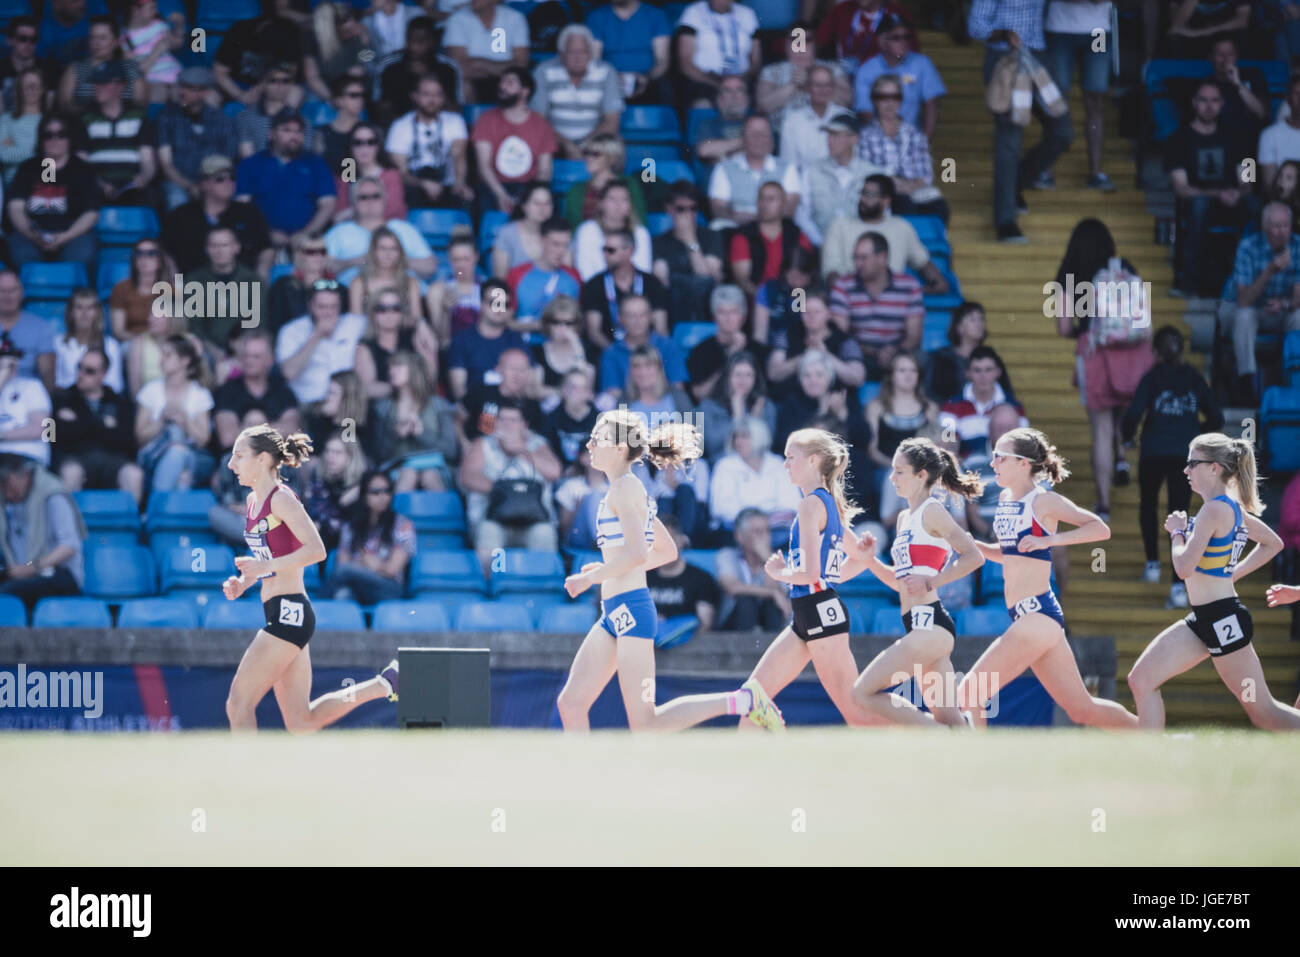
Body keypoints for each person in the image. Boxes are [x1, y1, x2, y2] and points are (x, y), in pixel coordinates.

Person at [557, 411, 783, 731]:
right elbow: (665, 551)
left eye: (598, 438)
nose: (590, 444)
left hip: (631, 610)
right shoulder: (626, 489)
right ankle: (582, 777)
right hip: (615, 611)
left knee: (646, 723)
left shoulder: (625, 489)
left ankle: (745, 701)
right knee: (571, 703)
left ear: (620, 448)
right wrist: (608, 570)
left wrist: (593, 576)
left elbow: (638, 553)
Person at [222, 425, 400, 733]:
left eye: (239, 456)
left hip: (289, 611)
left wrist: (260, 568)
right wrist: (244, 581)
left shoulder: (281, 498)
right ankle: (383, 685)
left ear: (263, 459)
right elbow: (270, 560)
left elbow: (317, 551)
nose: (231, 464)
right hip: (287, 612)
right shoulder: (253, 501)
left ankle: (248, 778)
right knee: (301, 722)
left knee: (238, 703)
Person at [957, 427, 1138, 728]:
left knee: (970, 693)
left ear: (1023, 463)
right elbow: (1011, 554)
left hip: (1037, 615)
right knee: (1082, 710)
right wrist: (975, 546)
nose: (993, 464)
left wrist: (1049, 541)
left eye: (1000, 457)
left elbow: (1099, 529)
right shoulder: (1005, 498)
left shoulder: (1044, 501)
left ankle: (977, 769)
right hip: (1034, 618)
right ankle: (1154, 736)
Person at [1128, 434, 1300, 729]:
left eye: (1192, 463)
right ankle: (1150, 760)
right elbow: (1273, 543)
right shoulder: (1227, 509)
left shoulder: (1215, 510)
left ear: (1215, 468)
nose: (1185, 470)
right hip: (1205, 618)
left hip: (1223, 619)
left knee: (1265, 713)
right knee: (1141, 680)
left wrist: (1177, 532)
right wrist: (1230, 573)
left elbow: (1183, 567)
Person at [739, 427, 880, 728]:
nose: (785, 464)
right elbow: (856, 561)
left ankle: (928, 730)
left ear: (814, 461)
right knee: (752, 699)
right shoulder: (825, 504)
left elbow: (811, 574)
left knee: (857, 712)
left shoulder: (809, 505)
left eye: (791, 457)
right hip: (809, 613)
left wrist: (779, 573)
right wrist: (862, 554)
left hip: (818, 614)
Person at [840, 437, 984, 726]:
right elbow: (900, 582)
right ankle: (959, 735)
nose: (892, 477)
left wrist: (933, 582)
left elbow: (974, 556)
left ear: (922, 476)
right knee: (952, 722)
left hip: (932, 625)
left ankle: (940, 735)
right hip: (919, 627)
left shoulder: (933, 510)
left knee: (861, 693)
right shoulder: (905, 518)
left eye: (899, 471)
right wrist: (870, 562)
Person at [1052, 218, 1153, 520]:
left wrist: (1085, 331)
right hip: (1132, 352)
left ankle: (1104, 505)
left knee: (1101, 427)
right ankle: (1121, 456)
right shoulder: (1125, 267)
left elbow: (1063, 327)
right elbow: (1141, 316)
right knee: (1122, 411)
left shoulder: (1069, 276)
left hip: (1094, 351)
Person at [1121, 325, 1223, 606]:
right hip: (1184, 454)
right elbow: (1217, 416)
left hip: (1153, 450)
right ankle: (1177, 587)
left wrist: (1128, 437)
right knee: (1179, 514)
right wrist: (1193, 430)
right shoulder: (1194, 377)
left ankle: (1153, 565)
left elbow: (1132, 414)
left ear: (1154, 351)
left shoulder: (1151, 377)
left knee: (1148, 505)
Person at [968, 0, 1072, 244]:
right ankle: (1005, 221)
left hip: (1039, 56)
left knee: (1062, 132)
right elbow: (975, 26)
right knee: (1010, 139)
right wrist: (1003, 33)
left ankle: (1014, 185)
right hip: (1006, 58)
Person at [1164, 79, 1252, 297]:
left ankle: (1247, 281)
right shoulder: (1178, 139)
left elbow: (1249, 181)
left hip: (1231, 204)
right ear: (1194, 103)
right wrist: (1218, 193)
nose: (1209, 106)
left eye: (1215, 100)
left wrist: (1238, 193)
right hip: (1196, 204)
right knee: (1200, 205)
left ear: (1222, 104)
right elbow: (1181, 188)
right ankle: (1187, 282)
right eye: (1204, 100)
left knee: (1254, 203)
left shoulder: (1239, 138)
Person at [459, 399, 563, 569]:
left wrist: (521, 450)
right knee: (490, 535)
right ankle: (496, 582)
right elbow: (468, 476)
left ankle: (538, 585)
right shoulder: (484, 444)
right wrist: (504, 492)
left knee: (544, 533)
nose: (507, 425)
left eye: (513, 420)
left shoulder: (537, 444)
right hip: (494, 519)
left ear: (524, 424)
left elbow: (554, 472)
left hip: (533, 520)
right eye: (502, 419)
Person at [1216, 201, 1300, 405]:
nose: (1282, 232)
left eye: (1286, 225)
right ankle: (1246, 379)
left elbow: (1298, 298)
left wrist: (1285, 305)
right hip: (1245, 307)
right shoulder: (1248, 247)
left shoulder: (1297, 247)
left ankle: (1292, 373)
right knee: (1244, 317)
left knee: (1298, 316)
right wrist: (1270, 271)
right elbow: (1244, 300)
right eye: (1276, 226)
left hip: (1280, 308)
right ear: (1265, 228)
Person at [6, 113, 100, 275]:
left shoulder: (83, 170)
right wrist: (33, 236)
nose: (54, 140)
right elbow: (15, 208)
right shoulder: (28, 168)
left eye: (61, 134)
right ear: (41, 140)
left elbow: (91, 213)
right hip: (31, 236)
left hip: (72, 236)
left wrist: (64, 237)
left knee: (82, 253)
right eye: (48, 135)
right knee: (20, 253)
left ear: (70, 138)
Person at [235, 110, 337, 254]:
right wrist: (267, 233)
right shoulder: (251, 164)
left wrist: (306, 234)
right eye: (287, 130)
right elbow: (242, 206)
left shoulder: (316, 163)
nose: (294, 136)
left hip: (308, 244)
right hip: (262, 242)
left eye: (299, 131)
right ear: (271, 134)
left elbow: (327, 204)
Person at [821, 174, 948, 289]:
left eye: (870, 195)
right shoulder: (840, 225)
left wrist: (912, 294)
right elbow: (832, 274)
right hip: (850, 301)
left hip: (893, 303)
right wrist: (853, 295)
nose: (863, 199)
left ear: (886, 201)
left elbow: (925, 266)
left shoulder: (901, 227)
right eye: (862, 193)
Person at [828, 232, 925, 381]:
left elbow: (914, 336)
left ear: (882, 258)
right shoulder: (843, 286)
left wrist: (894, 352)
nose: (858, 263)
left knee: (923, 361)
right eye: (856, 258)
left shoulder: (910, 285)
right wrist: (873, 352)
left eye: (864, 258)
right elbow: (840, 334)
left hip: (899, 355)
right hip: (858, 356)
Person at [52, 346, 142, 505]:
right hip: (75, 458)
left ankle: (126, 528)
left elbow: (128, 441)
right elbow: (52, 436)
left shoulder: (120, 401)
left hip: (113, 460)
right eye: (79, 367)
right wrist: (102, 425)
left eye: (89, 371)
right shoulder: (60, 399)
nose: (81, 374)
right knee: (70, 473)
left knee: (134, 475)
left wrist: (78, 423)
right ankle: (70, 529)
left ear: (103, 374)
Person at [1041, 0, 1115, 191]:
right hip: (1060, 30)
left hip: (1098, 32)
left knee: (1096, 101)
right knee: (1056, 99)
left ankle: (1096, 172)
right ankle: (1045, 169)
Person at [857, 73, 949, 222]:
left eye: (895, 97)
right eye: (882, 97)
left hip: (915, 193)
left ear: (900, 101)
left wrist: (904, 186)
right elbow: (869, 174)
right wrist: (899, 186)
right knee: (903, 204)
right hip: (881, 196)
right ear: (874, 101)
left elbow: (925, 176)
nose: (889, 102)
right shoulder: (865, 137)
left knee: (938, 206)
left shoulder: (915, 135)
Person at [162, 154, 273, 277]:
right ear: (204, 184)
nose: (228, 182)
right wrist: (178, 290)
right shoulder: (181, 217)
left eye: (232, 177)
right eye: (220, 179)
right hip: (193, 290)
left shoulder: (249, 213)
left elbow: (266, 249)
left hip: (242, 290)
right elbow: (167, 254)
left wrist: (260, 279)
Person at [0, 455, 86, 611]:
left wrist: (30, 568)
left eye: (8, 485)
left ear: (23, 475)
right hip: (23, 574)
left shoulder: (52, 494)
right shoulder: (6, 501)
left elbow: (69, 547)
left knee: (7, 593)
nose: (6, 493)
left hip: (59, 575)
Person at [530, 24, 623, 160]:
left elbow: (611, 122)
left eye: (583, 52)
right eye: (571, 52)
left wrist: (583, 145)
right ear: (561, 54)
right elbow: (538, 120)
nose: (578, 57)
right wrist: (567, 144)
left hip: (595, 141)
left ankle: (610, 182)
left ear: (591, 53)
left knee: (615, 143)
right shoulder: (543, 71)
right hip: (554, 141)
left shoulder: (607, 72)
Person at [134, 334, 213, 493]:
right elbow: (140, 437)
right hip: (154, 456)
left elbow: (203, 440)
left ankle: (155, 511)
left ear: (184, 360)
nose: (161, 359)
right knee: (182, 475)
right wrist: (162, 420)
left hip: (192, 456)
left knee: (179, 456)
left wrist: (185, 420)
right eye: (162, 354)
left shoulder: (200, 394)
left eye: (168, 355)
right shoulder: (150, 390)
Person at [154, 67, 241, 212]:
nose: (182, 92)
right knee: (176, 198)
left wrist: (208, 186)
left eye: (190, 88)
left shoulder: (222, 120)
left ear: (205, 92)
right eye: (181, 86)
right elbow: (166, 165)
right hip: (178, 182)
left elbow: (228, 161)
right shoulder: (165, 118)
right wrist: (189, 186)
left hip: (213, 181)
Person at [472, 66, 557, 212]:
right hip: (494, 185)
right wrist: (501, 194)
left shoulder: (541, 125)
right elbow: (484, 166)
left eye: (509, 83)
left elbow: (544, 171)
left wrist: (532, 198)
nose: (502, 87)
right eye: (502, 82)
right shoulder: (486, 119)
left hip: (528, 187)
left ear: (525, 91)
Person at [371, 351, 459, 491]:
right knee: (408, 474)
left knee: (430, 475)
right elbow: (379, 454)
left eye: (398, 366)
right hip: (398, 468)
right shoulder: (383, 408)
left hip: (435, 467)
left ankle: (441, 514)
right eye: (390, 367)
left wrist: (421, 434)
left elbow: (451, 451)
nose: (391, 371)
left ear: (414, 370)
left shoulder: (439, 405)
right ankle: (398, 514)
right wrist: (396, 435)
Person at [184, 227, 269, 371]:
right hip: (207, 350)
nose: (219, 251)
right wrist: (215, 353)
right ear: (207, 249)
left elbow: (258, 323)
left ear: (236, 248)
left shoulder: (253, 280)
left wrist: (241, 352)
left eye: (224, 245)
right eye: (214, 246)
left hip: (244, 349)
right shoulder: (194, 280)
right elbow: (194, 327)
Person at [385, 73, 473, 209]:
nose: (432, 100)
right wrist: (423, 184)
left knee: (465, 196)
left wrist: (460, 182)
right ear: (414, 96)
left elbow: (458, 157)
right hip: (413, 187)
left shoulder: (455, 121)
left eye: (437, 95)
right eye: (426, 94)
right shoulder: (400, 126)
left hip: (448, 185)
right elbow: (401, 173)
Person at [328, 468, 416, 605]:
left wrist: (374, 565)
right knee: (342, 595)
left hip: (389, 588)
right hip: (356, 586)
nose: (383, 497)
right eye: (375, 492)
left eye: (387, 491)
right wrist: (366, 565)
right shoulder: (351, 526)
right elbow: (342, 563)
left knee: (345, 572)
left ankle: (315, 606)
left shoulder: (402, 524)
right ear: (364, 495)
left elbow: (392, 570)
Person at [275, 279, 369, 405]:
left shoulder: (355, 324)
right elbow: (288, 372)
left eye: (333, 307)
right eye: (322, 307)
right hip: (307, 405)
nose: (328, 313)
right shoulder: (291, 331)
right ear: (310, 306)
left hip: (347, 405)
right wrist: (317, 335)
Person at [853, 14, 945, 140]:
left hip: (913, 140)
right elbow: (865, 112)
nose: (903, 42)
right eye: (896, 38)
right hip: (877, 140)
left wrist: (924, 142)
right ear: (882, 41)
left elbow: (932, 106)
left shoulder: (922, 63)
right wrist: (882, 141)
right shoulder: (867, 70)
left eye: (906, 37)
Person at [797, 114, 884, 247]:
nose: (829, 140)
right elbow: (802, 214)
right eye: (828, 135)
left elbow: (882, 216)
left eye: (836, 135)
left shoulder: (872, 173)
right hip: (820, 246)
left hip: (863, 248)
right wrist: (820, 242)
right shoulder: (812, 170)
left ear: (854, 139)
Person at [79, 59, 155, 206]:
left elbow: (147, 161)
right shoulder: (85, 119)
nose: (97, 88)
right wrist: (99, 183)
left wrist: (142, 179)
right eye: (96, 83)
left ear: (120, 86)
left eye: (103, 83)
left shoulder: (138, 117)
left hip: (132, 188)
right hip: (96, 187)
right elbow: (81, 163)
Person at [766, 287, 866, 398]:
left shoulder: (845, 341)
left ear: (828, 313)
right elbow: (773, 374)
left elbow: (857, 378)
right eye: (806, 312)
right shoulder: (787, 335)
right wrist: (804, 357)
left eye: (817, 312)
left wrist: (825, 355)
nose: (811, 316)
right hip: (792, 402)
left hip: (835, 403)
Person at [213, 330, 302, 454]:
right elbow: (227, 438)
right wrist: (272, 428)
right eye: (245, 356)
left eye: (256, 356)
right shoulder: (227, 391)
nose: (249, 361)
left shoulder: (283, 392)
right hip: (237, 460)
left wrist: (250, 426)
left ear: (270, 360)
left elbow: (292, 431)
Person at [756, 24, 853, 136]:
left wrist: (813, 83)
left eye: (807, 40)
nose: (801, 48)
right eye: (795, 41)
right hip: (782, 134)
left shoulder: (833, 68)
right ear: (786, 46)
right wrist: (792, 86)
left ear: (815, 45)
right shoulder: (771, 71)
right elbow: (762, 107)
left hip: (827, 133)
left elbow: (847, 102)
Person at [708, 415, 799, 534]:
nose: (738, 442)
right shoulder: (725, 465)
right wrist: (754, 521)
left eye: (744, 437)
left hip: (777, 527)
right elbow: (722, 507)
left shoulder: (777, 463)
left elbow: (791, 503)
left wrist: (769, 521)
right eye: (736, 437)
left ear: (759, 437)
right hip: (737, 528)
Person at [581, 228, 668, 348]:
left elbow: (661, 328)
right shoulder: (594, 285)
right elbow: (593, 332)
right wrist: (618, 355)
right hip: (611, 355)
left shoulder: (652, 283)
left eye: (610, 250)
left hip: (649, 355)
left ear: (629, 251)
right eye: (604, 249)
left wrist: (647, 356)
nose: (605, 254)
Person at [652, 181, 724, 326]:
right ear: (669, 209)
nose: (688, 214)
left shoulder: (712, 237)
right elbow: (661, 286)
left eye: (693, 208)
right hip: (674, 310)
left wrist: (690, 240)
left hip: (706, 308)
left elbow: (708, 277)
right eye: (681, 209)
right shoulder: (658, 243)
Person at [706, 115, 801, 226]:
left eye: (763, 134)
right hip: (736, 227)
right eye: (753, 134)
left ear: (771, 139)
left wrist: (760, 221)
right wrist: (735, 217)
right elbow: (718, 208)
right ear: (743, 139)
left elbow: (789, 209)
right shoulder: (724, 168)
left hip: (775, 228)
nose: (758, 138)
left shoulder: (787, 168)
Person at [865, 350, 937, 497]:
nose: (908, 375)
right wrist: (899, 469)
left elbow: (940, 444)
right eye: (902, 370)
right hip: (886, 472)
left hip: (921, 473)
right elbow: (872, 450)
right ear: (891, 375)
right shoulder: (875, 408)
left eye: (913, 370)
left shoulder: (931, 408)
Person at [938, 345, 1028, 460]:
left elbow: (1022, 447)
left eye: (988, 370)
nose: (983, 376)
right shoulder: (951, 407)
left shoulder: (1015, 408)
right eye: (977, 370)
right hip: (965, 470)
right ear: (967, 373)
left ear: (998, 372)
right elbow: (947, 442)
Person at [729, 182, 814, 303]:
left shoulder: (797, 234)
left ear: (784, 204)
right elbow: (743, 281)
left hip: (789, 298)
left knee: (802, 294)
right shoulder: (743, 236)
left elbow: (804, 275)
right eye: (761, 198)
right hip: (756, 299)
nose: (764, 204)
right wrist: (767, 300)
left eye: (771, 199)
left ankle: (799, 321)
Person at [448, 279, 530, 398]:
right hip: (474, 409)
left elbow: (529, 385)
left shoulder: (517, 340)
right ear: (481, 304)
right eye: (494, 303)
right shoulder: (462, 340)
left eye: (504, 304)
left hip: (510, 408)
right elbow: (458, 392)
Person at [923, 301, 1019, 403]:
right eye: (972, 319)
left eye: (981, 319)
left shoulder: (991, 358)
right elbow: (930, 393)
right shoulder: (941, 358)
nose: (979, 324)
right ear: (959, 327)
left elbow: (1006, 394)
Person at [597, 294, 687, 401]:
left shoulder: (669, 346)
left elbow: (677, 388)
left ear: (651, 317)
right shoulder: (611, 353)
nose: (637, 320)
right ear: (620, 319)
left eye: (642, 315)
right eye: (630, 315)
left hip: (665, 411)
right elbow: (613, 393)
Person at [378, 15, 465, 126]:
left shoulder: (448, 67)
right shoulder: (389, 66)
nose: (414, 46)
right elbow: (382, 110)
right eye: (410, 40)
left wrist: (428, 78)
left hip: (440, 127)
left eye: (421, 41)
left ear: (433, 41)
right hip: (399, 128)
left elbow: (455, 110)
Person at [687, 284, 769, 402]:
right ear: (714, 317)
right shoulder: (701, 351)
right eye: (722, 312)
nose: (728, 318)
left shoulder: (758, 350)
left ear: (743, 317)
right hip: (716, 411)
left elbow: (763, 393)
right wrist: (729, 360)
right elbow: (699, 394)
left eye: (734, 312)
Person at [675, 0, 762, 110]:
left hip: (742, 79)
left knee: (756, 101)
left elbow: (756, 60)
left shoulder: (747, 14)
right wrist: (717, 83)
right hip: (705, 80)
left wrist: (739, 81)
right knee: (702, 104)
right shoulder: (693, 13)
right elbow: (685, 61)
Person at [716, 507, 793, 630]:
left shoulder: (778, 559)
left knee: (772, 606)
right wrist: (772, 593)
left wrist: (768, 560)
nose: (765, 537)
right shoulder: (727, 555)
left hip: (767, 619)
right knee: (746, 601)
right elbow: (732, 587)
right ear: (739, 536)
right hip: (733, 623)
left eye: (767, 531)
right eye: (757, 532)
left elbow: (781, 593)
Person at [442, 0, 531, 105]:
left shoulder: (515, 18)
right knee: (464, 82)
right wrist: (503, 67)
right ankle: (470, 119)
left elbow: (521, 64)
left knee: (516, 83)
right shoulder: (457, 19)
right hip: (474, 81)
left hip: (505, 79)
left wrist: (480, 63)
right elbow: (460, 67)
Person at [355, 290, 439, 400]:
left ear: (402, 312)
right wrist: (402, 388)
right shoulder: (365, 347)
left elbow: (431, 374)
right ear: (372, 313)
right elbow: (367, 388)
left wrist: (420, 323)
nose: (389, 314)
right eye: (382, 309)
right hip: (383, 408)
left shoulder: (414, 336)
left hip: (420, 402)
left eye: (396, 308)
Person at [645, 514, 719, 636]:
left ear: (681, 541)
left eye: (669, 540)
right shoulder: (641, 577)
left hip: (688, 647)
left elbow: (706, 624)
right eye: (656, 542)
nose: (663, 547)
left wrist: (672, 629)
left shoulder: (701, 578)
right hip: (646, 643)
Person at [696, 351, 777, 463]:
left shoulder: (765, 405)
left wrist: (753, 421)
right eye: (738, 375)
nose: (742, 380)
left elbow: (766, 445)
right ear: (727, 378)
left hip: (756, 467)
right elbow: (710, 445)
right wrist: (736, 419)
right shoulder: (708, 407)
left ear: (755, 379)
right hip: (721, 466)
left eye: (748, 375)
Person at [586, 0, 672, 105]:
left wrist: (646, 78)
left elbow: (662, 61)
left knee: (663, 89)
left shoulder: (656, 15)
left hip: (648, 80)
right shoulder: (597, 16)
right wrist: (612, 78)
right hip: (608, 80)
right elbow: (595, 60)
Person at [339, 218, 431, 310]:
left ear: (400, 253)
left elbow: (416, 320)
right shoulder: (359, 283)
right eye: (383, 248)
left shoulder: (411, 283)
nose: (388, 254)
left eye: (393, 248)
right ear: (373, 252)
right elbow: (354, 321)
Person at [778, 64, 853, 175]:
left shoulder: (847, 118)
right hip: (805, 186)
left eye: (827, 85)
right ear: (807, 88)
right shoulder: (792, 121)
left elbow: (853, 162)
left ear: (833, 87)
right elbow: (789, 165)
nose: (823, 90)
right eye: (817, 85)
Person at [57, 16, 145, 110]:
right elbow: (65, 103)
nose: (96, 43)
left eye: (102, 38)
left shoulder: (129, 67)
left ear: (116, 42)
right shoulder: (75, 68)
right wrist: (91, 115)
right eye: (92, 37)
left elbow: (141, 101)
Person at [562, 132, 648, 227]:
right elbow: (574, 229)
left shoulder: (629, 184)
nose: (588, 158)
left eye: (596, 154)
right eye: (586, 153)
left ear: (612, 158)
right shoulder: (576, 190)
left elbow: (639, 221)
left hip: (624, 239)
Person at [298, 430, 365, 551]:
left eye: (337, 452)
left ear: (351, 456)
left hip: (352, 547)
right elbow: (317, 517)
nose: (331, 457)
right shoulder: (319, 477)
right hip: (321, 541)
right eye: (328, 451)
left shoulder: (363, 483)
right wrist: (342, 503)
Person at [506, 216, 583, 322]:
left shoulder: (575, 277)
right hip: (524, 338)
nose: (561, 251)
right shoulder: (516, 275)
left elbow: (580, 321)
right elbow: (505, 321)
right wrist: (542, 327)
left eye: (565, 245)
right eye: (556, 244)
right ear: (541, 241)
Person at [572, 181, 652, 281]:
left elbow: (643, 271)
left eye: (624, 200)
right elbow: (585, 273)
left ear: (630, 205)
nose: (618, 205)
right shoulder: (587, 230)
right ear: (601, 203)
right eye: (612, 199)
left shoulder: (641, 233)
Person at [332, 122, 407, 223]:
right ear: (350, 146)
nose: (364, 148)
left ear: (378, 146)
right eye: (358, 143)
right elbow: (339, 214)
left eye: (370, 142)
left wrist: (353, 212)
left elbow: (394, 212)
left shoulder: (390, 175)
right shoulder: (347, 173)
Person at [54, 287, 124, 396]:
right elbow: (57, 383)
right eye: (79, 307)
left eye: (90, 308)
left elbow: (114, 385)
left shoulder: (111, 345)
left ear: (97, 312)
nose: (84, 313)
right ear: (71, 312)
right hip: (67, 401)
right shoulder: (58, 343)